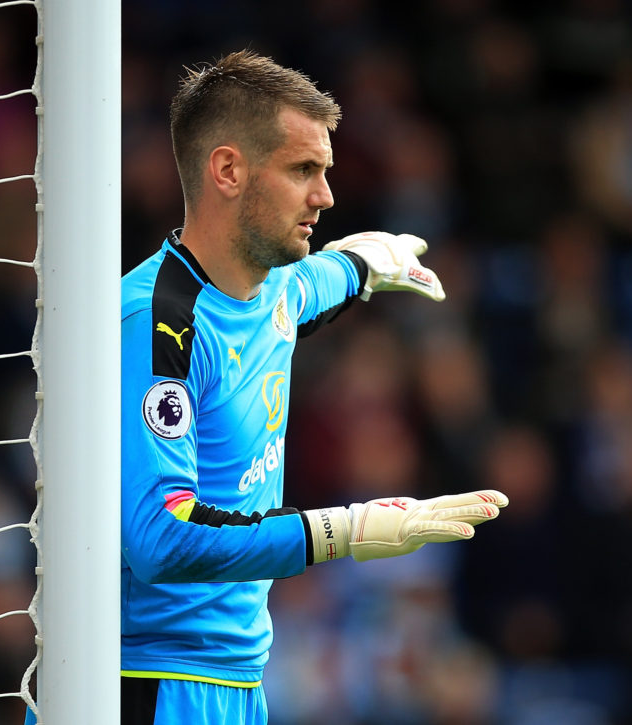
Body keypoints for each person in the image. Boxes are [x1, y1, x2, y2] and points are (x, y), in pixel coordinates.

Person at [31, 50, 508, 725]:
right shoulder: (155, 324)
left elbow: (318, 284)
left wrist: (369, 259)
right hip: (141, 682)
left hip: (237, 682)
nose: (326, 196)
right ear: (227, 170)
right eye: (303, 171)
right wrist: (342, 531)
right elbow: (162, 536)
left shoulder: (273, 289)